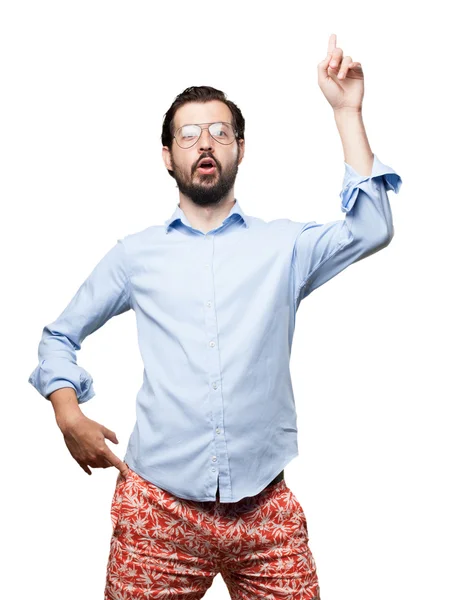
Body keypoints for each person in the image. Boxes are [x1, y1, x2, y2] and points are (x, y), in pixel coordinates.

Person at [28, 34, 402, 600]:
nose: (205, 143)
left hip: (264, 508)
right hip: (157, 509)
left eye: (220, 132)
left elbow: (372, 228)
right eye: (188, 134)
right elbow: (59, 336)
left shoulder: (286, 247)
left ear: (241, 149)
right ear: (167, 156)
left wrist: (347, 112)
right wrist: (66, 413)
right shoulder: (135, 255)